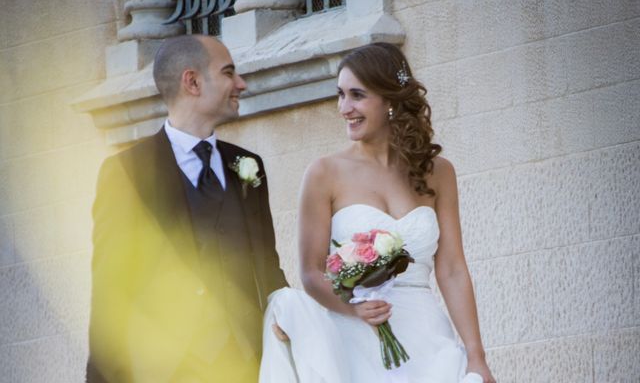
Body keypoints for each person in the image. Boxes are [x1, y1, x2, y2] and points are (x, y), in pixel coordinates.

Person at [260, 43, 495, 383]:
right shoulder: (324, 173)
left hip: (427, 336)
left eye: (357, 95)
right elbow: (311, 272)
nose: (344, 108)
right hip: (354, 339)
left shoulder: (438, 172)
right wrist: (352, 309)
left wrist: (477, 356)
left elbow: (453, 269)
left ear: (390, 101)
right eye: (340, 95)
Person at [86, 35, 287, 382]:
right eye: (229, 73)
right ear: (192, 82)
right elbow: (110, 292)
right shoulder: (127, 173)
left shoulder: (247, 165)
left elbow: (268, 266)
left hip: (249, 366)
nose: (242, 84)